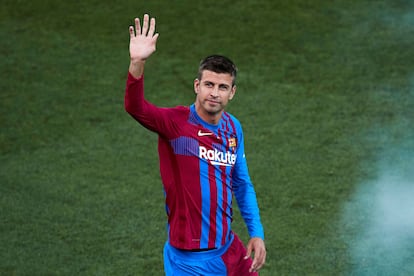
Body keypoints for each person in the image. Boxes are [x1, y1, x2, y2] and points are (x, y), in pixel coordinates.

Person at [125, 14, 266, 275]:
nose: (214, 93)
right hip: (189, 263)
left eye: (223, 87)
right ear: (196, 86)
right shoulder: (176, 124)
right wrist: (137, 63)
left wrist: (256, 233)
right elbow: (135, 107)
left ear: (232, 92)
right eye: (209, 85)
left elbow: (241, 182)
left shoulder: (233, 127)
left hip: (229, 251)